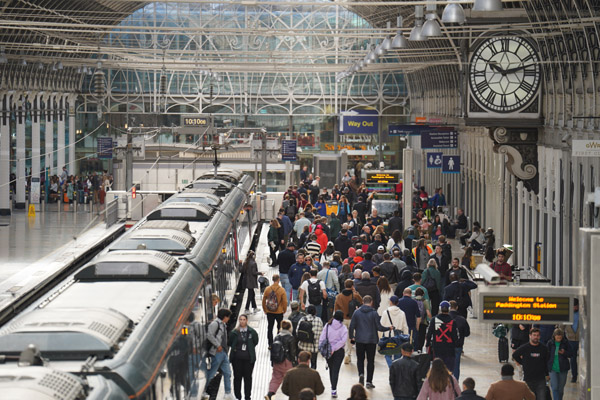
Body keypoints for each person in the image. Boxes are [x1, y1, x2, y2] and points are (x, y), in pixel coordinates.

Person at [349, 295, 394, 388]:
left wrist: (351, 337)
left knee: (360, 359)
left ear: (362, 302)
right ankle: (369, 381)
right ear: (371, 302)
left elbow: (352, 326)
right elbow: (379, 327)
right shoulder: (374, 313)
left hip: (360, 339)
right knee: (370, 361)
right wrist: (388, 328)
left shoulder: (356, 312)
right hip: (371, 340)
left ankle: (361, 374)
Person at [202, 308, 234, 400]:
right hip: (217, 352)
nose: (229, 319)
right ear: (225, 317)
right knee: (212, 373)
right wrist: (217, 345)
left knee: (227, 373)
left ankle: (228, 393)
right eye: (228, 317)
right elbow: (209, 335)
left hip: (223, 352)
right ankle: (203, 390)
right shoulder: (215, 324)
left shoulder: (222, 324)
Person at [512, 327, 550, 399]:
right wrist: (523, 363)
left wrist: (547, 374)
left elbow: (546, 362)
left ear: (539, 336)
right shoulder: (524, 347)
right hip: (528, 379)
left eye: (537, 335)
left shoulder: (544, 349)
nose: (536, 337)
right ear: (530, 336)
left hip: (540, 379)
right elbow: (515, 355)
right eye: (534, 335)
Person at [228, 314, 259, 400]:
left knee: (248, 378)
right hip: (237, 359)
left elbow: (255, 341)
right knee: (237, 378)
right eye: (240, 319)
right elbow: (230, 342)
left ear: (247, 320)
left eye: (244, 319)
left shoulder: (252, 332)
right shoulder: (234, 332)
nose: (242, 321)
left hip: (248, 359)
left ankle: (247, 396)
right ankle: (238, 396)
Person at [319, 310, 349, 398]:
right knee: (336, 370)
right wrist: (335, 348)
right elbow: (343, 341)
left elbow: (322, 338)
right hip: (339, 351)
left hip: (328, 351)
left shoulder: (327, 325)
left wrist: (324, 348)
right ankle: (334, 389)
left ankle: (333, 387)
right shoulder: (343, 328)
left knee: (331, 370)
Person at [266, 320, 297, 400]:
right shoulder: (291, 338)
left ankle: (270, 394)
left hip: (277, 361)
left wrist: (272, 362)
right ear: (290, 327)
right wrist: (294, 363)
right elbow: (293, 352)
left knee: (275, 379)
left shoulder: (277, 337)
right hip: (287, 362)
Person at [334, 279, 363, 364]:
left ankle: (344, 351)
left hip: (342, 319)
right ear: (352, 286)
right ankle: (348, 353)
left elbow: (336, 309)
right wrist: (355, 292)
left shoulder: (339, 296)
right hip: (352, 319)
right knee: (351, 337)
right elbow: (361, 302)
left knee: (342, 337)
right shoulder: (355, 295)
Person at [426, 301, 458, 372]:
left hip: (437, 349)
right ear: (449, 309)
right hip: (449, 349)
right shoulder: (453, 321)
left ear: (440, 308)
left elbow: (429, 333)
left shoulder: (434, 320)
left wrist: (428, 344)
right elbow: (455, 336)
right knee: (449, 370)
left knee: (437, 369)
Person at [380, 295, 409, 367]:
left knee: (387, 354)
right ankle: (395, 368)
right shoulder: (402, 313)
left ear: (390, 302)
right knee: (397, 354)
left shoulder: (385, 312)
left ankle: (391, 368)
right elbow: (405, 326)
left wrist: (380, 337)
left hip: (388, 336)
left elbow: (381, 325)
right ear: (397, 303)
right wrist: (406, 336)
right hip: (398, 336)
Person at [262, 274, 289, 346]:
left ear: (272, 279)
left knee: (270, 327)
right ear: (279, 279)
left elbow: (264, 300)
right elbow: (285, 301)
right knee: (279, 327)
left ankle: (270, 344)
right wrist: (284, 310)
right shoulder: (281, 290)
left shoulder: (267, 289)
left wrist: (265, 309)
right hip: (279, 312)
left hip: (269, 311)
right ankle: (278, 342)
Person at [547, 328, 571, 400]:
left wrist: (564, 352)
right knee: (554, 387)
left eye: (560, 338)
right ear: (554, 336)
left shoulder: (566, 343)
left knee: (560, 388)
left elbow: (571, 354)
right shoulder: (550, 343)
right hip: (552, 368)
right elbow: (546, 355)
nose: (558, 339)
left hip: (563, 368)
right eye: (557, 338)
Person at [448, 300, 470, 380]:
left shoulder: (445, 319)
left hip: (447, 345)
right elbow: (467, 333)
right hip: (458, 345)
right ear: (457, 307)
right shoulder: (462, 319)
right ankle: (455, 382)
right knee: (456, 366)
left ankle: (447, 382)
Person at [562, 298, 579, 383]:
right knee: (573, 358)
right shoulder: (567, 314)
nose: (575, 308)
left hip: (580, 339)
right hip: (571, 339)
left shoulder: (582, 314)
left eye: (576, 306)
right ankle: (574, 376)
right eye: (573, 306)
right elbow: (561, 327)